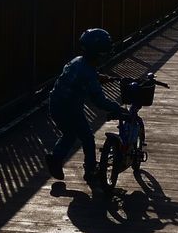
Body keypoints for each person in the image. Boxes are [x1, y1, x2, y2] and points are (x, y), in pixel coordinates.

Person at [46, 28, 126, 182]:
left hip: (56, 104)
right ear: (97, 54)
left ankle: (55, 158)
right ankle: (90, 169)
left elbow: (85, 74)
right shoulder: (88, 74)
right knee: (87, 138)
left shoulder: (77, 61)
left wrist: (99, 77)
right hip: (70, 109)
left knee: (70, 134)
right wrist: (116, 107)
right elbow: (98, 101)